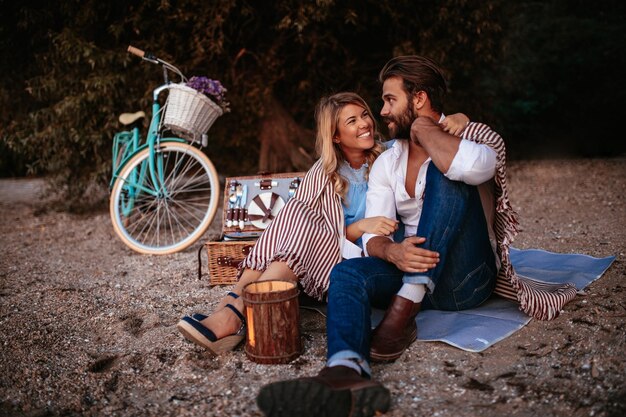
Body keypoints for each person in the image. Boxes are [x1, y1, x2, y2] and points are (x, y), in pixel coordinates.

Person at [255, 55, 514, 417]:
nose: (382, 111)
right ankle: (346, 371)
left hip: (464, 279)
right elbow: (373, 235)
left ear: (419, 99)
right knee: (347, 273)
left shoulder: (467, 138)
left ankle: (406, 305)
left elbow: (478, 167)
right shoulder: (388, 161)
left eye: (390, 100)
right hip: (413, 265)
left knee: (446, 172)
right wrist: (392, 252)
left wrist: (426, 130)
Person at [177, 91, 470, 356]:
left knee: (298, 218)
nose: (365, 124)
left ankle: (233, 310)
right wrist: (359, 227)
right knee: (297, 213)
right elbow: (307, 231)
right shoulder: (324, 172)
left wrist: (459, 118)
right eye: (351, 121)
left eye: (364, 115)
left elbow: (433, 135)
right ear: (336, 136)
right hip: (324, 253)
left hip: (369, 257)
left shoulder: (392, 153)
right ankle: (237, 307)